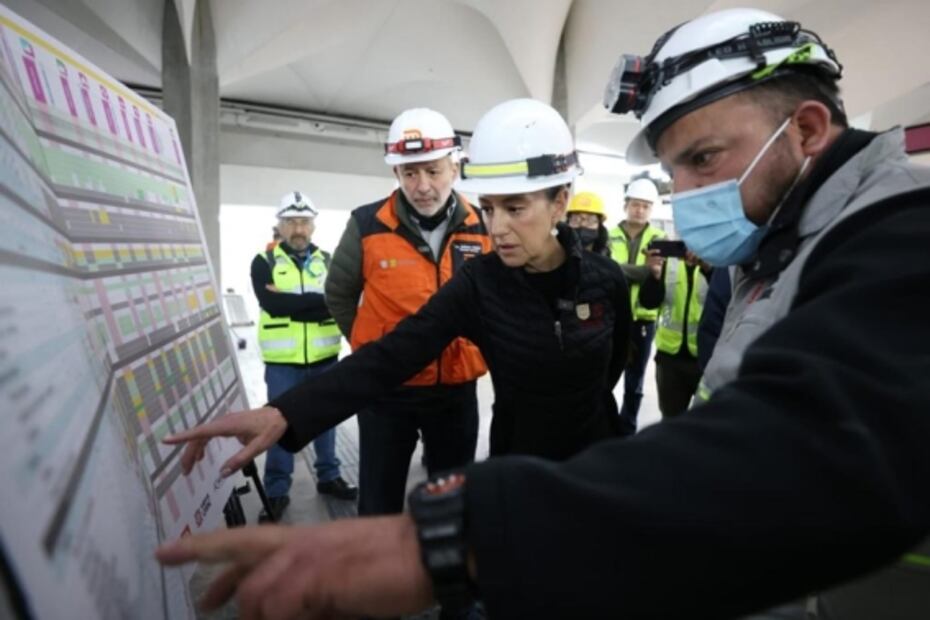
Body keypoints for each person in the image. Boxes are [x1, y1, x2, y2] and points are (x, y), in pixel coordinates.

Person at [158, 10, 930, 618]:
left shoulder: (898, 240)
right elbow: (394, 352)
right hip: (548, 481)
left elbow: (799, 445)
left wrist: (459, 538)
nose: (495, 228)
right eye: (487, 208)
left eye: (703, 159)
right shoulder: (489, 283)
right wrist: (287, 415)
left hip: (606, 482)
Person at [324, 107, 489, 517]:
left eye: (433, 171)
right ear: (396, 174)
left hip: (455, 390)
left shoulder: (483, 225)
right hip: (385, 393)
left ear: (454, 166)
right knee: (379, 503)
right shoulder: (366, 224)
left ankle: (445, 576)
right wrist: (371, 347)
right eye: (409, 173)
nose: (422, 186)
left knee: (453, 502)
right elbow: (339, 294)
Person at [251, 192, 357, 521]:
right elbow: (274, 305)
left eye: (304, 222)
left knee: (327, 421)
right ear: (279, 226)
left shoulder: (328, 260)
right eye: (291, 222)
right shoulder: (263, 262)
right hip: (284, 364)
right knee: (278, 427)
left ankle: (329, 477)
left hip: (326, 358)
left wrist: (302, 303)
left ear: (313, 226)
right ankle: (276, 490)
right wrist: (318, 301)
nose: (298, 229)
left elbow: (340, 299)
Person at [608, 177, 666, 435]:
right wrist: (645, 271)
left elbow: (661, 277)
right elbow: (609, 271)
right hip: (610, 317)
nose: (639, 210)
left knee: (635, 382)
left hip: (643, 320)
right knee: (605, 377)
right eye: (635, 204)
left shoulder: (659, 239)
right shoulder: (608, 236)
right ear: (625, 205)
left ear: (650, 210)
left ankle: (626, 429)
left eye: (645, 206)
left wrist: (626, 272)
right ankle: (604, 425)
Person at [653, 249, 711, 417]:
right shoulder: (668, 262)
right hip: (670, 358)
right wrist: (653, 277)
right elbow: (649, 301)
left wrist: (709, 269)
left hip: (705, 357)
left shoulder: (720, 263)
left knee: (706, 423)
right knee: (671, 420)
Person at [565, 191, 610, 255]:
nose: (583, 225)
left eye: (590, 220)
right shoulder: (554, 257)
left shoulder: (606, 260)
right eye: (576, 219)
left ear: (599, 226)